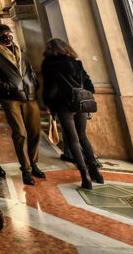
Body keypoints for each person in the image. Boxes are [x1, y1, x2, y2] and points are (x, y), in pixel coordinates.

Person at [0, 24, 43, 186]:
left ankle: (34, 163)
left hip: (29, 95)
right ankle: (26, 169)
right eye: (3, 34)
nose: (7, 36)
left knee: (35, 131)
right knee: (20, 133)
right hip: (10, 97)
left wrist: (34, 84)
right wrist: (5, 86)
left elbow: (29, 70)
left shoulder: (21, 51)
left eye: (8, 33)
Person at [41, 38, 102, 190]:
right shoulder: (75, 62)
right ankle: (96, 172)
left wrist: (49, 105)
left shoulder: (48, 64)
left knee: (72, 140)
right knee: (83, 136)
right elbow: (89, 85)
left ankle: (84, 176)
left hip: (63, 106)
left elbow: (50, 90)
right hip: (80, 104)